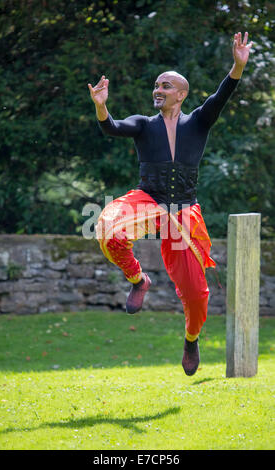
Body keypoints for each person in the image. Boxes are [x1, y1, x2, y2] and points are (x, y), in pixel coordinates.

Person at [88, 32, 253, 376]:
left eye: (165, 86)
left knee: (196, 294)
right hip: (147, 200)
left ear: (181, 94)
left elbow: (221, 96)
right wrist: (101, 107)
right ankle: (138, 280)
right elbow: (113, 128)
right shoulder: (144, 124)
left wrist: (237, 67)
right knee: (106, 226)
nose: (158, 89)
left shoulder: (198, 122)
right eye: (156, 85)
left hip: (183, 212)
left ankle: (191, 339)